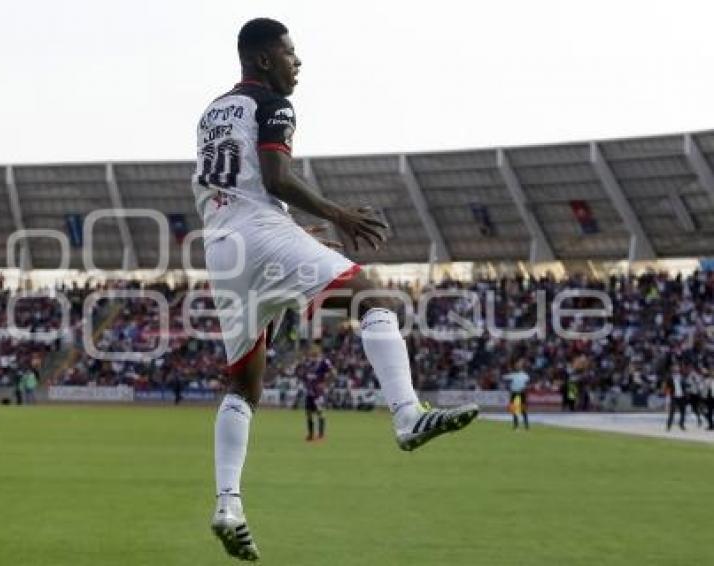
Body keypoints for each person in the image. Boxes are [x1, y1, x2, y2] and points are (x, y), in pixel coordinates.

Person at [194, 18, 478, 561]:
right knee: (375, 297)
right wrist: (337, 213)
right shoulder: (273, 102)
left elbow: (240, 187)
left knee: (242, 386)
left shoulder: (211, 112)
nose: (296, 63)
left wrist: (287, 228)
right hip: (259, 232)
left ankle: (228, 503)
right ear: (262, 60)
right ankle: (407, 415)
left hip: (222, 245)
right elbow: (274, 178)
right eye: (288, 53)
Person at [303, 353, 333, 442]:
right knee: (308, 413)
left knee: (320, 412)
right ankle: (311, 435)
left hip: (318, 393)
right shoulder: (308, 364)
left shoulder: (324, 362)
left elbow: (333, 373)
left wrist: (325, 384)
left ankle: (321, 435)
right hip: (309, 392)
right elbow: (306, 376)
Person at [503, 360, 530, 430]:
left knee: (523, 410)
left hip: (521, 393)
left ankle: (526, 425)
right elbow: (504, 377)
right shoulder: (513, 375)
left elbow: (527, 384)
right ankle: (516, 425)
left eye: (519, 366)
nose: (517, 367)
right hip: (514, 393)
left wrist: (525, 388)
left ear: (521, 367)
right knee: (513, 409)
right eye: (516, 366)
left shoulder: (525, 375)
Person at [665, 365, 687, 432]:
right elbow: (667, 388)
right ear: (673, 370)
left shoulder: (682, 377)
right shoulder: (670, 378)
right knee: (672, 412)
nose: (676, 370)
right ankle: (669, 425)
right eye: (675, 369)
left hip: (682, 396)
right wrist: (668, 397)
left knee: (683, 412)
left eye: (677, 369)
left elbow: (684, 386)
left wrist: (685, 394)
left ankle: (681, 424)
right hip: (674, 397)